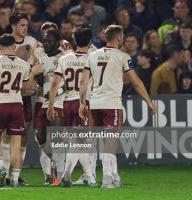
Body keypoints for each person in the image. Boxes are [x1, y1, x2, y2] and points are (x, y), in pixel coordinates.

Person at [79, 25, 156, 188]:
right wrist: (149, 102)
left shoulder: (92, 56)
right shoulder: (122, 56)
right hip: (111, 104)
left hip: (94, 104)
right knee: (111, 142)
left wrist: (81, 104)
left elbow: (83, 82)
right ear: (119, 37)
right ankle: (107, 178)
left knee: (96, 141)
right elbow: (135, 82)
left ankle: (113, 175)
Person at [0, 34, 41, 187]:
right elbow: (26, 86)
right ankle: (14, 180)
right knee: (16, 145)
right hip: (16, 106)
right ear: (14, 47)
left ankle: (1, 167)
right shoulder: (23, 64)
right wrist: (33, 73)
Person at [0, 11, 39, 186]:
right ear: (13, 27)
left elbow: (43, 54)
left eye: (27, 25)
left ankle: (16, 174)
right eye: (22, 25)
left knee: (23, 135)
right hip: (10, 95)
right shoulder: (2, 43)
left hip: (24, 94)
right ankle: (8, 175)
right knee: (6, 136)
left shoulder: (33, 42)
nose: (25, 28)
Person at [47, 24, 96, 187]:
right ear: (90, 41)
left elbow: (55, 84)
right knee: (83, 143)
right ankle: (88, 177)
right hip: (84, 103)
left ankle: (69, 176)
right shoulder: (92, 59)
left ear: (74, 39)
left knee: (75, 142)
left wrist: (51, 106)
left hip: (67, 103)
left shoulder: (64, 59)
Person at [34, 29, 66, 186]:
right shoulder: (42, 58)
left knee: (57, 139)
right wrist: (36, 74)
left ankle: (60, 176)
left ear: (58, 42)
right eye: (44, 40)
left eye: (49, 41)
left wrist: (57, 92)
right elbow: (41, 82)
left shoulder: (64, 58)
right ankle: (56, 163)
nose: (46, 43)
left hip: (59, 102)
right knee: (40, 138)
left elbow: (70, 82)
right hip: (45, 103)